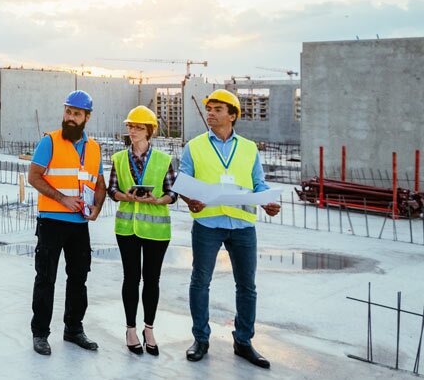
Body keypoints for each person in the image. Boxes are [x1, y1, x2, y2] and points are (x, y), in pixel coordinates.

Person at [179, 89, 281, 369]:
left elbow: (258, 183)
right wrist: (191, 200)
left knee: (247, 287)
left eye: (217, 109)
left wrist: (268, 201)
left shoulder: (249, 148)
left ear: (232, 115)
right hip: (207, 224)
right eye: (209, 109)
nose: (210, 113)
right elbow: (183, 181)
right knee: (200, 282)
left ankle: (244, 341)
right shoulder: (195, 146)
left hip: (242, 227)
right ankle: (200, 339)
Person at [29, 90, 107, 356]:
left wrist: (97, 206)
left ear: (87, 117)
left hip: (79, 224)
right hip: (52, 221)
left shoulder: (94, 148)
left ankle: (73, 329)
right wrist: (62, 198)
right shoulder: (49, 142)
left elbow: (99, 184)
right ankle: (40, 333)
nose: (70, 118)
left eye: (76, 114)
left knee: (79, 277)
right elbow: (34, 177)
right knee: (46, 278)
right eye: (68, 112)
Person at [107, 106, 177, 356]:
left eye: (138, 127)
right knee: (131, 278)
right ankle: (130, 329)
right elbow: (111, 190)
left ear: (149, 131)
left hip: (156, 231)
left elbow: (172, 193)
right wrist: (122, 195)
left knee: (152, 280)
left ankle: (149, 329)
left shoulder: (163, 159)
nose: (133, 131)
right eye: (130, 127)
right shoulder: (118, 158)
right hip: (127, 229)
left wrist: (158, 201)